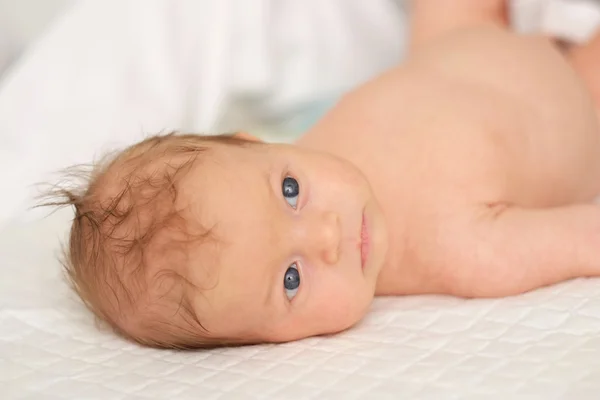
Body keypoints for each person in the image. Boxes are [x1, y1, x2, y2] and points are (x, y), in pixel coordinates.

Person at [44, 0, 600, 348]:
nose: (328, 235)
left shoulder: (320, 141)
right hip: (578, 102)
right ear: (268, 341)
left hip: (453, 42)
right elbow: (584, 237)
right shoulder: (457, 251)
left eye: (290, 192)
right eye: (292, 278)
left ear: (252, 141)